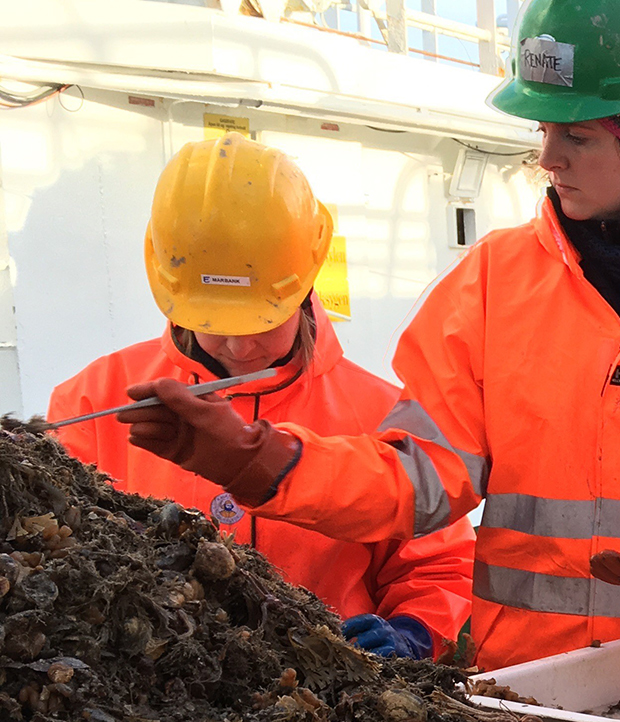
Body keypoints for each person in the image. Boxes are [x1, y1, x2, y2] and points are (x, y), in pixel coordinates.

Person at [114, 0, 620, 671]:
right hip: (542, 708)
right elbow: (416, 480)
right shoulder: (490, 285)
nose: (550, 157)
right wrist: (264, 459)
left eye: (575, 134)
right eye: (543, 130)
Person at [50, 135, 473, 660]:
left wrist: (414, 631)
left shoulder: (381, 412)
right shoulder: (96, 401)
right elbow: (61, 558)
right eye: (213, 322)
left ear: (305, 283)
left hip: (324, 697)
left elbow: (438, 565)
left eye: (262, 319)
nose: (239, 344)